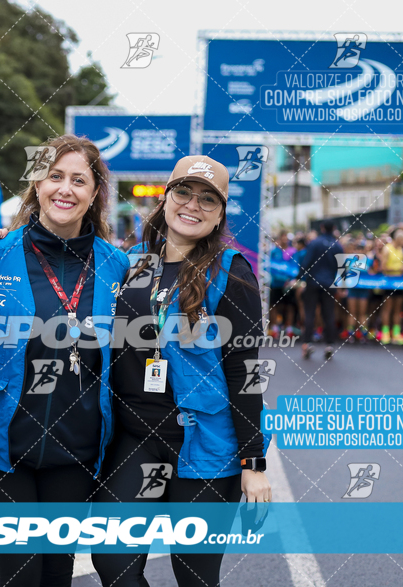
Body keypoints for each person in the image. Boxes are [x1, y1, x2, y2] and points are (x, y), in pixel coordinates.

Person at [91, 155, 271, 587]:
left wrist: (254, 462)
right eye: (184, 192)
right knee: (113, 562)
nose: (193, 205)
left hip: (206, 448)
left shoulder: (232, 271)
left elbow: (244, 370)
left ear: (221, 213)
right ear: (166, 198)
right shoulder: (130, 264)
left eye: (208, 199)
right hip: (135, 440)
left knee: (194, 574)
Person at [0, 135, 129, 587]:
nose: (65, 189)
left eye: (79, 180)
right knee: (19, 576)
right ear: (36, 184)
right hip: (2, 451)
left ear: (95, 193)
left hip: (77, 451)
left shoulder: (118, 266)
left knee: (58, 573)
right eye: (54, 176)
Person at [299, 220, 343, 359]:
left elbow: (306, 262)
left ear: (322, 228)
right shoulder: (338, 245)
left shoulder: (315, 243)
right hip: (330, 284)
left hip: (313, 283)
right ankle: (329, 345)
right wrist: (342, 286)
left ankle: (307, 343)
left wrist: (300, 278)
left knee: (310, 313)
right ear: (334, 228)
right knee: (329, 314)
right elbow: (342, 267)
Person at [378, 228, 403, 345]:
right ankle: (385, 332)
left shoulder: (402, 250)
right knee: (387, 309)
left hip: (400, 283)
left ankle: (396, 333)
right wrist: (399, 269)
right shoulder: (387, 249)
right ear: (399, 239)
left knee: (398, 309)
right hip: (389, 283)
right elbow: (383, 267)